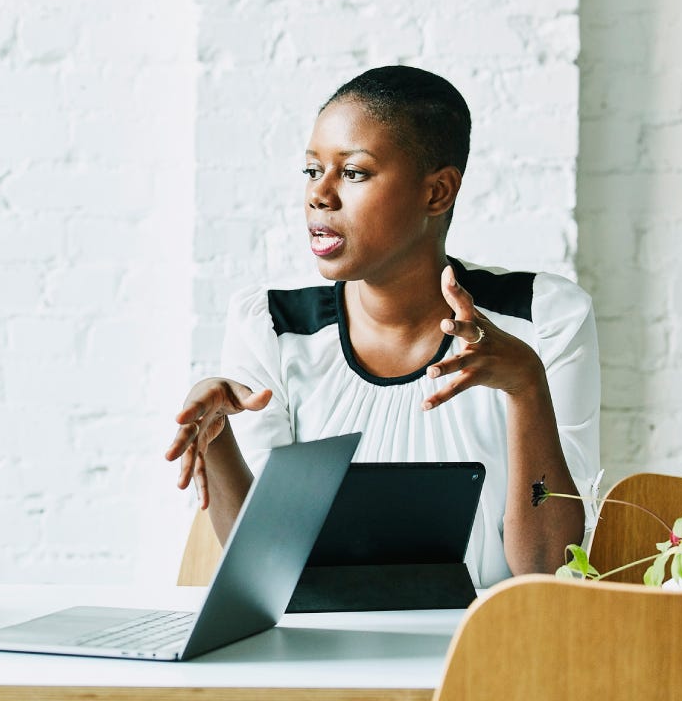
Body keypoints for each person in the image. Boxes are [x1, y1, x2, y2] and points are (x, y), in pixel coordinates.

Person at [164, 66, 599, 586]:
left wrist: (526, 385)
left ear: (437, 193)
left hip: (488, 651)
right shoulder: (273, 329)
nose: (318, 196)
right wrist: (217, 441)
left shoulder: (542, 319)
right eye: (311, 171)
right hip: (321, 659)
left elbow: (549, 569)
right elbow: (267, 573)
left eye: (353, 173)